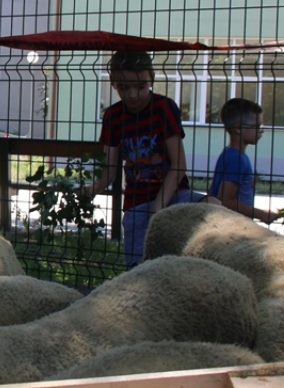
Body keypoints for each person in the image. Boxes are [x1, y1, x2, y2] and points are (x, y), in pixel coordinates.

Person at [85, 50, 204, 268]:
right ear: (113, 84)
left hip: (174, 195)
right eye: (123, 87)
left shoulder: (164, 108)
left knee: (214, 205)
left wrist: (157, 208)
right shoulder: (113, 116)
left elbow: (179, 166)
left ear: (151, 80)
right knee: (139, 270)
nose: (132, 94)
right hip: (137, 203)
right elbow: (110, 171)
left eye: (140, 86)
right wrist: (92, 188)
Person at [207, 97, 281, 225]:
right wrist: (261, 214)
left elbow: (212, 190)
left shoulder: (229, 154)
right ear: (238, 128)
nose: (261, 130)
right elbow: (225, 200)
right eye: (257, 126)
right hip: (232, 226)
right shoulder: (237, 160)